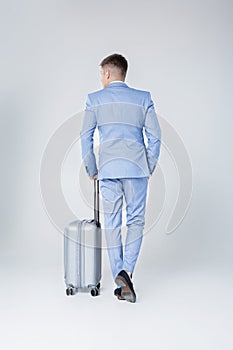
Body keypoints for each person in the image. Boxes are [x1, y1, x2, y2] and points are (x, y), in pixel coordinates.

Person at [80, 53, 161, 303]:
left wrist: (92, 168)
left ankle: (120, 277)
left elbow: (86, 138)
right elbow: (155, 137)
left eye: (101, 74)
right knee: (136, 221)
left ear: (106, 73)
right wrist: (147, 166)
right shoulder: (143, 98)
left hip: (109, 170)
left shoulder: (94, 100)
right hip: (136, 169)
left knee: (113, 223)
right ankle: (127, 273)